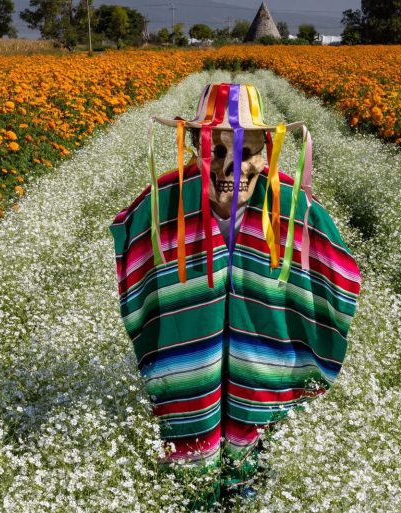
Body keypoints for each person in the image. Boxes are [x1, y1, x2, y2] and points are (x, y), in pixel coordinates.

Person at [109, 83, 361, 510]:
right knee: (192, 447)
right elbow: (135, 257)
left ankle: (245, 489)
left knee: (255, 444)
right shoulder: (163, 204)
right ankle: (196, 495)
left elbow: (339, 274)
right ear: (194, 147)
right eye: (217, 150)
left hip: (260, 358)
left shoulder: (290, 205)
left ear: (266, 154)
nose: (231, 166)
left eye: (247, 152)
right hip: (194, 358)